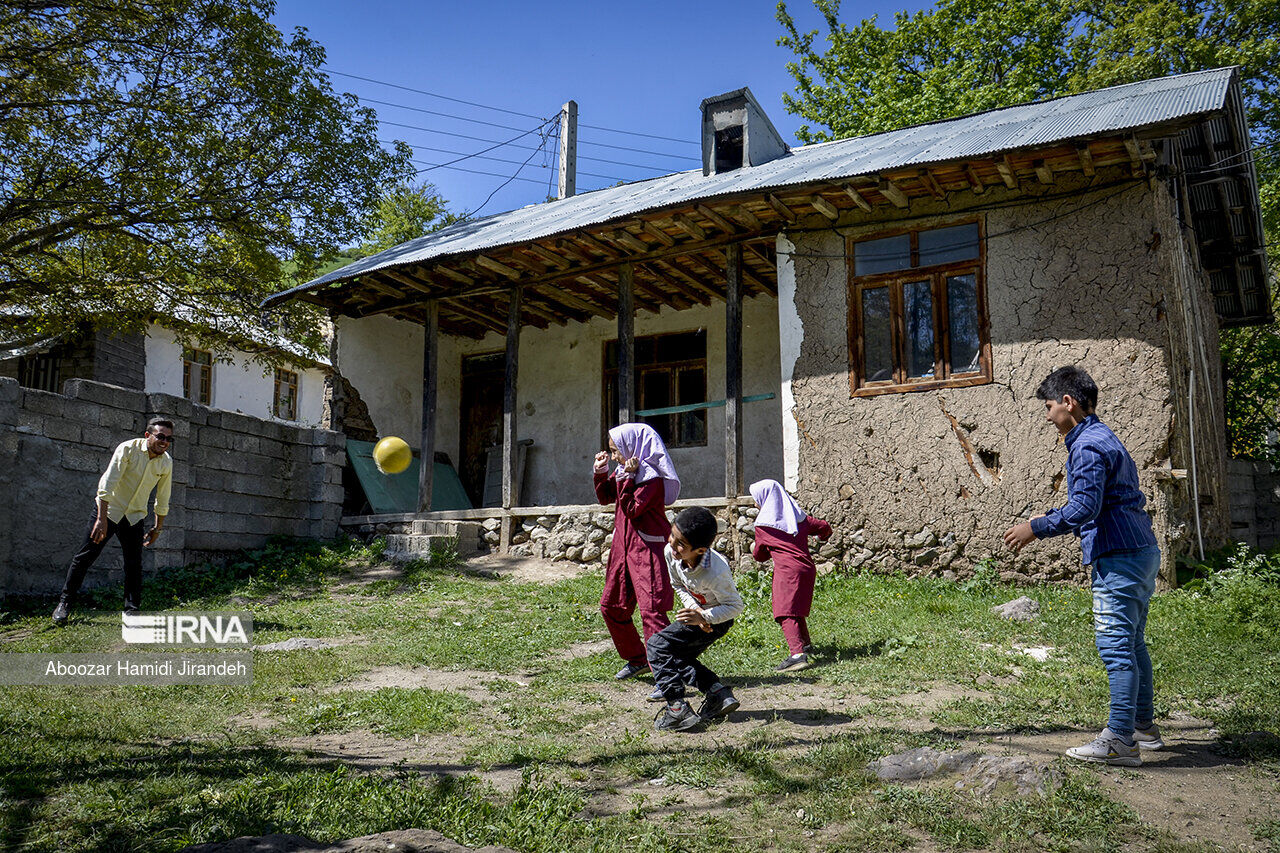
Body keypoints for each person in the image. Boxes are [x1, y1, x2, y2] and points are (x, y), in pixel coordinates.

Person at [1003, 367, 1162, 767]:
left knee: (1115, 646)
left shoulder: (1087, 446)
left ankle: (1120, 740)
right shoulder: (1103, 436)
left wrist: (1034, 528)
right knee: (1133, 641)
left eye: (1049, 405)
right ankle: (1142, 725)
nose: (1047, 415)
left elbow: (1084, 508)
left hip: (1119, 553)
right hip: (1139, 549)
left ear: (1068, 403)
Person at [52, 418, 175, 625]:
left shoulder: (166, 462)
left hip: (134, 516)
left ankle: (132, 611)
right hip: (109, 511)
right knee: (84, 557)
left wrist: (158, 527)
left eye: (169, 439)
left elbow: (163, 497)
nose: (164, 442)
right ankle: (64, 604)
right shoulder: (127, 449)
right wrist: (101, 519)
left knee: (134, 565)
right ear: (148, 435)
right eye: (160, 436)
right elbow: (107, 483)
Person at [593, 423, 680, 680]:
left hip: (647, 549)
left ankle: (666, 675)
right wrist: (601, 471)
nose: (615, 457)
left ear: (633, 447)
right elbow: (606, 496)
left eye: (616, 451)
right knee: (612, 606)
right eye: (612, 452)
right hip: (624, 548)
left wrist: (629, 478)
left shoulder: (651, 477)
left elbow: (632, 508)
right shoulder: (624, 471)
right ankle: (637, 658)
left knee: (652, 610)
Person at [647, 506, 743, 732]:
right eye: (673, 535)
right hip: (698, 615)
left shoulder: (716, 572)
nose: (672, 545)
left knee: (657, 646)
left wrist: (705, 617)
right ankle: (718, 693)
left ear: (700, 550)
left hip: (718, 618)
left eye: (681, 544)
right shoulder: (670, 552)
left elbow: (734, 606)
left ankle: (677, 709)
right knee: (677, 658)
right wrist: (695, 611)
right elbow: (678, 585)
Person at [749, 479, 832, 672]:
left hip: (787, 571)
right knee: (796, 609)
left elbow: (759, 556)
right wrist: (822, 537)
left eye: (757, 499)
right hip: (807, 568)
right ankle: (806, 645)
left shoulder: (764, 526)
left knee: (785, 612)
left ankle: (797, 655)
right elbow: (823, 526)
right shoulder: (799, 518)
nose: (755, 503)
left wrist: (759, 548)